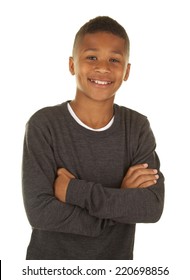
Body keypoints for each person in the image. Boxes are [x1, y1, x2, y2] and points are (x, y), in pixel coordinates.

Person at [22, 16, 164, 260]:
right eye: (91, 57)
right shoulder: (44, 125)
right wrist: (119, 201)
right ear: (72, 65)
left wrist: (73, 191)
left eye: (114, 59)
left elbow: (150, 207)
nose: (103, 67)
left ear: (127, 70)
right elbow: (40, 212)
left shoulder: (137, 127)